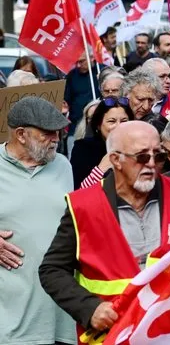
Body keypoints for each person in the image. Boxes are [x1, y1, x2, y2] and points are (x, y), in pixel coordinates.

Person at [39, 121, 170, 341]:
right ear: (115, 160)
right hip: (112, 335)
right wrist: (90, 308)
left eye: (158, 156)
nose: (151, 165)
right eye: (141, 157)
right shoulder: (83, 205)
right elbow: (52, 269)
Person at [0, 97, 76, 345]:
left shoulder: (63, 165)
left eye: (59, 132)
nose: (56, 138)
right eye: (48, 133)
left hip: (60, 314)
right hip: (10, 316)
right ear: (21, 134)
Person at [71, 97, 134, 189]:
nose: (119, 126)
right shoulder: (83, 149)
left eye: (124, 121)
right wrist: (100, 170)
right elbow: (78, 194)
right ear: (98, 125)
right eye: (112, 121)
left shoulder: (138, 148)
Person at [121, 67, 165, 133]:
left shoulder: (156, 125)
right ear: (126, 95)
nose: (146, 107)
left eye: (150, 100)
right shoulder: (117, 120)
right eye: (140, 99)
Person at [64, 50, 100, 129]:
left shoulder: (101, 71)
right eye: (76, 62)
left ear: (92, 57)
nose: (78, 65)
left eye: (81, 61)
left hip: (99, 122)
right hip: (77, 124)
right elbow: (66, 100)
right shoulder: (71, 76)